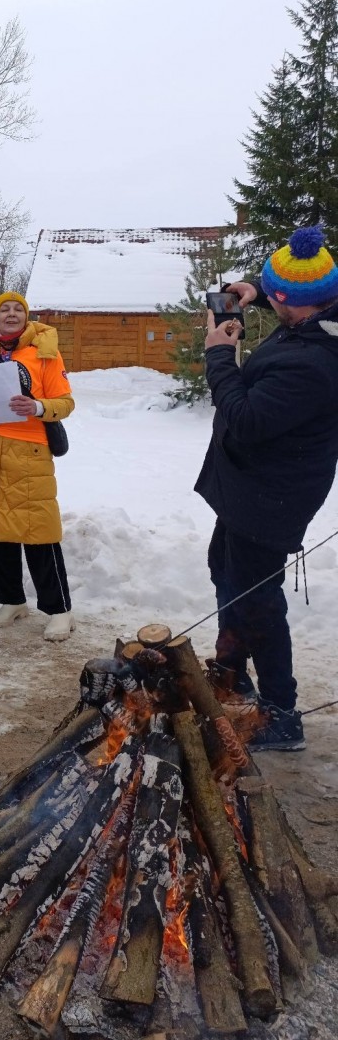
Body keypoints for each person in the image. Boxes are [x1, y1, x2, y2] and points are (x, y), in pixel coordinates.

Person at [196, 226, 338, 751]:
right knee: (225, 571)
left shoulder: (313, 363)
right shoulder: (316, 319)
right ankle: (232, 676)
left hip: (270, 497)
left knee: (256, 598)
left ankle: (281, 714)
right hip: (247, 485)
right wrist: (256, 289)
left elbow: (247, 420)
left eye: (272, 295)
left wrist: (219, 355)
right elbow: (293, 295)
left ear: (289, 302)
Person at [0, 292, 76, 642]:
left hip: (28, 450)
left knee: (38, 532)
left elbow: (65, 402)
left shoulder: (45, 350)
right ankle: (11, 600)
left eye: (18, 310)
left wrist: (37, 407)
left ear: (26, 317)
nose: (11, 314)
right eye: (4, 310)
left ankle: (60, 610)